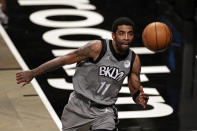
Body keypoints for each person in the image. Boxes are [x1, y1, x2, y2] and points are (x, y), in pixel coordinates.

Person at [16, 17, 149, 131]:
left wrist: (138, 97)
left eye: (130, 34)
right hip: (78, 105)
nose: (126, 38)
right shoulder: (97, 48)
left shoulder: (133, 60)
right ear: (113, 35)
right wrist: (33, 72)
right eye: (121, 33)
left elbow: (134, 87)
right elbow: (63, 60)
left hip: (104, 112)